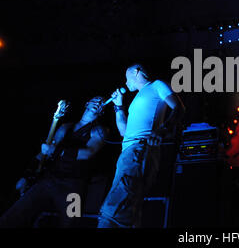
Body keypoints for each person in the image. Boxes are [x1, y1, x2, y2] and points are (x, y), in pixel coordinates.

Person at [98, 63, 184, 228]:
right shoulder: (137, 99)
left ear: (136, 72)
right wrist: (118, 105)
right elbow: (123, 131)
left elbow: (179, 108)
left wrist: (162, 130)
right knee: (129, 210)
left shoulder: (156, 85)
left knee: (112, 209)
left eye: (126, 77)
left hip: (139, 150)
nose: (125, 82)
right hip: (129, 150)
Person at [0, 96, 107, 227]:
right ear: (87, 104)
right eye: (95, 100)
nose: (98, 102)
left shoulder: (99, 130)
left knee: (71, 224)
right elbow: (44, 153)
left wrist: (55, 150)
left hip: (74, 186)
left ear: (102, 110)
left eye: (102, 102)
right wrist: (26, 176)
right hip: (50, 179)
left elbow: (87, 153)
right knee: (12, 217)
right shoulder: (65, 127)